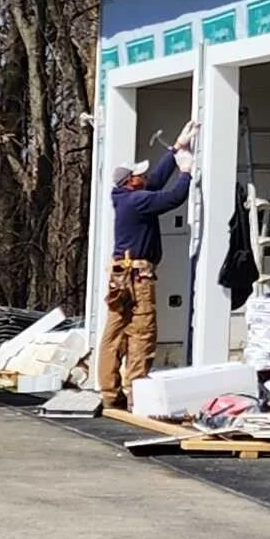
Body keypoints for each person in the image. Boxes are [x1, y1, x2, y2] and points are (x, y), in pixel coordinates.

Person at [95, 120, 195, 408]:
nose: (145, 175)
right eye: (139, 174)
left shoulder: (125, 197)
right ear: (131, 182)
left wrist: (177, 148)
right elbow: (173, 197)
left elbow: (156, 182)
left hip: (120, 275)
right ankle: (136, 394)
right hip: (137, 278)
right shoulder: (138, 201)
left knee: (114, 333)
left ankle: (110, 394)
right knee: (142, 331)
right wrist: (186, 172)